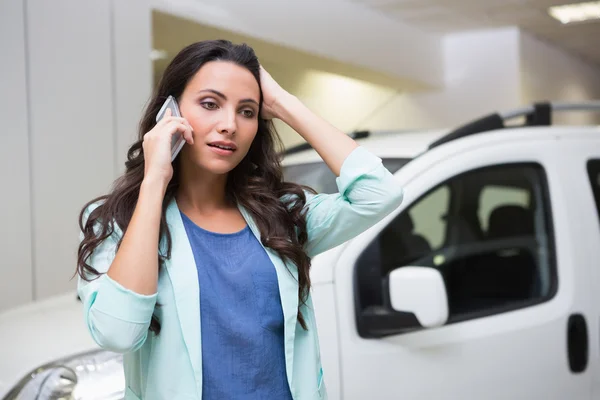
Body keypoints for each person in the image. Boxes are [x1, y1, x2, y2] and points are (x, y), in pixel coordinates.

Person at [76, 39, 404, 400]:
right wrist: (155, 179)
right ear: (168, 112)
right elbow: (117, 333)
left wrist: (284, 104)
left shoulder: (282, 215)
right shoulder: (118, 221)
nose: (229, 125)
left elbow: (378, 193)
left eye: (247, 111)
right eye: (210, 104)